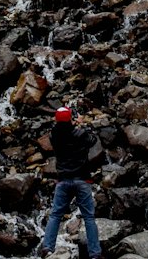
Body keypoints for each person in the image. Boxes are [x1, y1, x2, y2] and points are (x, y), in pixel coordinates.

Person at [38, 106, 102, 259]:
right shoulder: (80, 134)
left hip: (63, 180)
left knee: (55, 215)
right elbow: (93, 139)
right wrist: (81, 124)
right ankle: (95, 254)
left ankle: (47, 248)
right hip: (82, 179)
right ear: (70, 119)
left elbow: (60, 129)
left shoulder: (54, 136)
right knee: (88, 218)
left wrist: (72, 123)